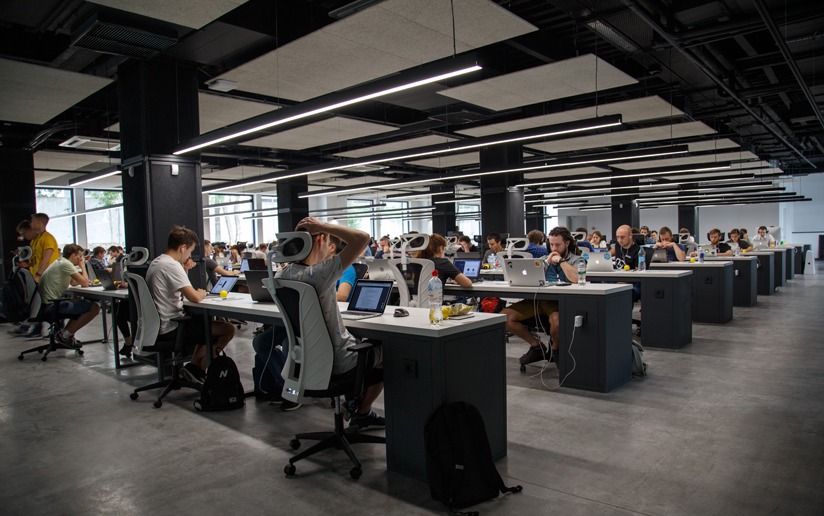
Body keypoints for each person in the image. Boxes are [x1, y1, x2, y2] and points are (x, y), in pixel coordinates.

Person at [277, 218, 384, 429]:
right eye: (327, 241)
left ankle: (353, 401)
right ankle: (362, 411)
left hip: (307, 362)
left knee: (358, 343)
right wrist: (323, 227)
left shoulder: (283, 275)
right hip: (340, 362)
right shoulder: (318, 274)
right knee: (389, 351)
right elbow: (363, 238)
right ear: (320, 240)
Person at [146, 226, 236, 385]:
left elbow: (177, 286)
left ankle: (193, 369)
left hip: (159, 325)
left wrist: (185, 269)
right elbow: (194, 297)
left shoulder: (158, 262)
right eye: (190, 251)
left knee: (203, 324)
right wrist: (201, 293)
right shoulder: (171, 265)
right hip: (172, 327)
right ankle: (198, 369)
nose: (189, 255)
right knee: (228, 329)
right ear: (182, 248)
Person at [502, 227, 582, 366]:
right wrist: (547, 262)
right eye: (551, 244)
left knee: (556, 321)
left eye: (557, 245)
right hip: (539, 300)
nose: (554, 248)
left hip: (559, 302)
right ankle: (537, 346)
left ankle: (555, 350)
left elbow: (576, 278)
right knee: (505, 317)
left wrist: (561, 261)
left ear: (567, 243)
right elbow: (530, 277)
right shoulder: (544, 259)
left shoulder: (577, 259)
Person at [39, 244, 101, 348]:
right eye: (80, 256)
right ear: (73, 255)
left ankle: (64, 334)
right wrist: (82, 266)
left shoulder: (60, 262)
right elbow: (85, 283)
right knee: (94, 307)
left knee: (80, 305)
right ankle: (65, 335)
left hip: (47, 304)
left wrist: (82, 279)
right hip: (52, 306)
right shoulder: (66, 264)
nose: (81, 259)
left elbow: (73, 282)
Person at [610, 225, 642, 302]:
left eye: (622, 237)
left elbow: (639, 275)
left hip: (632, 284)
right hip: (617, 280)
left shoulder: (638, 250)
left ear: (630, 236)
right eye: (617, 237)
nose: (619, 240)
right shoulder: (618, 246)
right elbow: (606, 256)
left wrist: (625, 282)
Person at [30, 213, 59, 284]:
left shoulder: (48, 238)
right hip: (40, 277)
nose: (30, 224)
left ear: (39, 222)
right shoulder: (37, 238)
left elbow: (46, 258)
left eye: (32, 222)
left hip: (48, 278)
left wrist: (38, 274)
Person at [331, 234, 359, 302]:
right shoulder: (326, 267)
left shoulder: (347, 268)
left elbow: (342, 296)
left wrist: (316, 295)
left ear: (332, 248)